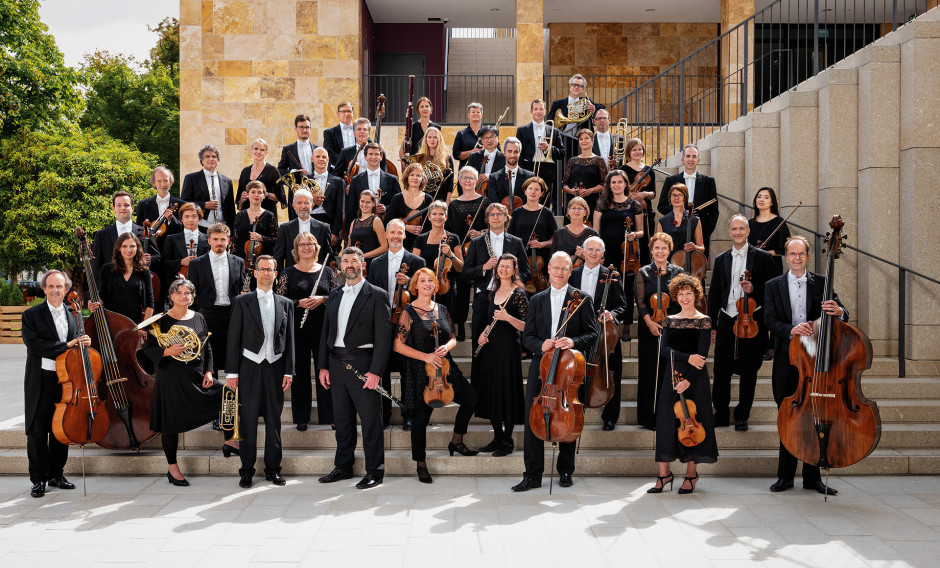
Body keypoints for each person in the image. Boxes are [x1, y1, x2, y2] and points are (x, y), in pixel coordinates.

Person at [764, 236, 847, 496]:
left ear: (808, 257)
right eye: (792, 254)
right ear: (786, 257)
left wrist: (839, 311)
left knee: (815, 417)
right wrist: (791, 330)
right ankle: (785, 477)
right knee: (788, 415)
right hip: (787, 359)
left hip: (815, 361)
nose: (797, 258)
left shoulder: (822, 283)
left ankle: (812, 478)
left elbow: (843, 311)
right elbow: (769, 320)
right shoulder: (773, 285)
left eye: (801, 254)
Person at [512, 251, 597, 491]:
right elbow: (527, 337)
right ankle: (532, 474)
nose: (560, 272)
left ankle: (566, 471)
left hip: (568, 368)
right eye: (556, 268)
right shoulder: (537, 299)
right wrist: (541, 345)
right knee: (532, 419)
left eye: (565, 268)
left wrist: (572, 342)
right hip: (542, 367)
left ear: (571, 271)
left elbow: (592, 334)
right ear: (548, 269)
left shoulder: (582, 299)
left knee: (567, 416)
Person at [141, 278, 238, 486]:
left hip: (196, 376)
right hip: (171, 378)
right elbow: (148, 348)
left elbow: (206, 346)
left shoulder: (199, 317)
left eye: (188, 293)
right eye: (179, 293)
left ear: (193, 297)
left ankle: (230, 440)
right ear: (171, 296)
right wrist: (167, 351)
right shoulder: (161, 321)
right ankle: (172, 468)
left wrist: (210, 372)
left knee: (228, 394)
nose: (184, 296)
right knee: (170, 425)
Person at [393, 268, 480, 483]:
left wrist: (445, 348)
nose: (427, 284)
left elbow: (452, 337)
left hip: (446, 369)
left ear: (435, 284)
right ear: (415, 286)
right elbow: (398, 345)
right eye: (422, 281)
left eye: (430, 280)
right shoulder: (408, 312)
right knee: (420, 419)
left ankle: (457, 440)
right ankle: (421, 464)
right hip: (422, 373)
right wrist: (426, 356)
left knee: (472, 399)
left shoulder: (441, 309)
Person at [318, 247, 393, 489]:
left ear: (363, 264)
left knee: (371, 420)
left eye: (354, 260)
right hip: (335, 363)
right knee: (342, 420)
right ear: (340, 265)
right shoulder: (335, 294)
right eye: (345, 261)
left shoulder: (377, 295)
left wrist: (376, 372)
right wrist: (323, 366)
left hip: (363, 364)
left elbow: (384, 338)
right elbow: (326, 333)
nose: (349, 264)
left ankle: (375, 471)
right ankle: (343, 466)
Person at [226, 255, 295, 489]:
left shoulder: (286, 303)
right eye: (262, 269)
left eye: (270, 270)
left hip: (275, 367)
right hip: (248, 368)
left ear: (276, 274)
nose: (266, 273)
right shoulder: (242, 301)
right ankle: (246, 470)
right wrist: (232, 373)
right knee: (247, 422)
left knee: (274, 421)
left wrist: (289, 371)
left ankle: (273, 469)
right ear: (254, 273)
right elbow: (233, 339)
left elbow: (290, 341)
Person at [648, 273, 716, 495]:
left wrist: (688, 380)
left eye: (689, 293)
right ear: (675, 296)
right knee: (666, 421)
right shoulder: (669, 320)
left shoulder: (704, 320)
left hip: (695, 379)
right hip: (672, 376)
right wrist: (687, 358)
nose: (685, 298)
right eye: (681, 294)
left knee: (695, 423)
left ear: (696, 295)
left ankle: (691, 475)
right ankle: (664, 474)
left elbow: (702, 355)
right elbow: (664, 350)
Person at [707, 215, 775, 430]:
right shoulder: (721, 259)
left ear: (748, 231)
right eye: (734, 229)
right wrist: (713, 325)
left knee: (749, 370)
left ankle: (742, 415)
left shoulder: (763, 258)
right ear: (729, 232)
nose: (737, 232)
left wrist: (755, 289)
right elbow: (716, 293)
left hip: (752, 321)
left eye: (741, 229)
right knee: (721, 369)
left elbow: (773, 291)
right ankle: (721, 413)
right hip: (728, 318)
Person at [21, 270, 85, 498]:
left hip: (66, 381)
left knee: (61, 430)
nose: (55, 290)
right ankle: (38, 480)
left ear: (66, 289)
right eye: (50, 286)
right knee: (37, 431)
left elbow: (78, 344)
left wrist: (83, 343)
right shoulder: (31, 315)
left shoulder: (74, 313)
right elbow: (35, 345)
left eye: (59, 286)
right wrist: (67, 346)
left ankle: (56, 475)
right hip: (41, 380)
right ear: (44, 289)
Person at [367, 219, 426, 429]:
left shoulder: (417, 261)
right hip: (383, 323)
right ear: (385, 236)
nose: (395, 236)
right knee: (381, 369)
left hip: (407, 323)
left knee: (407, 370)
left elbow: (425, 292)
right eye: (391, 233)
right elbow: (371, 295)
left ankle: (408, 414)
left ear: (404, 235)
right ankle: (384, 412)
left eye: (399, 233)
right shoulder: (376, 263)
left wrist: (409, 282)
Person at [276, 233, 338, 430]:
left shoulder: (327, 271)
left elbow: (338, 298)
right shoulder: (287, 273)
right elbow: (279, 302)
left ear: (316, 247)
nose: (306, 248)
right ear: (296, 248)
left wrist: (323, 300)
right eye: (302, 244)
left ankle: (329, 414)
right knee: (300, 371)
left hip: (322, 329)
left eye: (310, 244)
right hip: (298, 329)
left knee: (325, 370)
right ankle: (301, 416)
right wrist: (298, 303)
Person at [472, 254, 528, 456]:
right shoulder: (491, 293)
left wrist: (508, 317)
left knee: (507, 393)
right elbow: (490, 321)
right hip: (491, 349)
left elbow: (528, 326)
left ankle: (507, 440)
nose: (503, 270)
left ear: (514, 270)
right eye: (501, 266)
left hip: (509, 351)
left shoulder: (519, 294)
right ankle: (497, 438)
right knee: (493, 392)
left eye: (508, 267)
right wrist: (482, 335)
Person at [570, 236, 627, 431]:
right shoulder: (573, 274)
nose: (593, 253)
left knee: (612, 371)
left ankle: (610, 417)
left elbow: (622, 306)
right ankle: (577, 410)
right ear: (583, 252)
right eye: (590, 249)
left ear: (603, 254)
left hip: (605, 334)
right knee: (577, 371)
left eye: (598, 250)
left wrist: (611, 314)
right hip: (580, 333)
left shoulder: (613, 275)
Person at [463, 203, 530, 355]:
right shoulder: (477, 242)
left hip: (508, 297)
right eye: (492, 215)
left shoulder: (516, 242)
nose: (495, 217)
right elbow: (466, 273)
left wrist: (513, 282)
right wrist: (483, 267)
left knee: (505, 340)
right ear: (487, 219)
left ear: (506, 218)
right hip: (484, 297)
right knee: (479, 340)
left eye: (499, 214)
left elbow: (526, 271)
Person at [634, 233, 684, 429]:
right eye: (657, 248)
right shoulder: (643, 272)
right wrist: (650, 323)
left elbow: (682, 300)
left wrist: (671, 323)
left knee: (668, 372)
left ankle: (668, 416)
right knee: (649, 371)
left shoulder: (678, 272)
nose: (660, 251)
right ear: (651, 250)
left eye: (664, 248)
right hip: (649, 327)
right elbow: (640, 302)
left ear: (669, 250)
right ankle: (648, 417)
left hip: (671, 328)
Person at [187, 223, 246, 377]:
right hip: (207, 316)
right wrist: (192, 320)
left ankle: (234, 397)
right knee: (208, 362)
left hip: (232, 316)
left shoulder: (238, 262)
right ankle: (210, 398)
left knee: (233, 360)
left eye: (223, 239)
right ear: (209, 241)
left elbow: (242, 291)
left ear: (228, 240)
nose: (219, 242)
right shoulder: (196, 264)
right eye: (216, 239)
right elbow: (191, 295)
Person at [594, 170, 644, 339]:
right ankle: (609, 324)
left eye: (620, 182)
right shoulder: (602, 204)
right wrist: (598, 253)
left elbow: (641, 231)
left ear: (625, 184)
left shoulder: (634, 205)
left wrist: (634, 235)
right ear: (609, 185)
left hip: (627, 255)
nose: (616, 185)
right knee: (607, 289)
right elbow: (596, 233)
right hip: (607, 254)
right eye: (613, 182)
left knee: (627, 291)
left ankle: (627, 328)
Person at [446, 166, 490, 340]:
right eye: (464, 178)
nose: (467, 181)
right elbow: (449, 230)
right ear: (459, 181)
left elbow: (494, 226)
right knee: (461, 292)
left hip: (481, 252)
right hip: (460, 252)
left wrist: (481, 233)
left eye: (471, 178)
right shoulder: (454, 205)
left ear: (476, 181)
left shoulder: (484, 202)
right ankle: (460, 325)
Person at [92, 191, 160, 288]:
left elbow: (158, 257)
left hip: (138, 287)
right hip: (111, 288)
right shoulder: (102, 235)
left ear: (132, 208)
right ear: (113, 209)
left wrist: (151, 259)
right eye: (119, 205)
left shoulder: (145, 232)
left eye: (126, 205)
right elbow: (96, 266)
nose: (123, 208)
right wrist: (100, 291)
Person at [658, 144, 718, 255]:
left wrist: (705, 233)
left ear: (698, 160)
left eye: (694, 156)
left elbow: (714, 211)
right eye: (688, 156)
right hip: (675, 232)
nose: (691, 159)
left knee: (698, 270)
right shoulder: (671, 180)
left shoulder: (708, 181)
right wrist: (680, 213)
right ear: (682, 160)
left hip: (699, 233)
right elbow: (661, 206)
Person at [412, 201, 464, 321]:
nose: (438, 217)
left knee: (445, 325)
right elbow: (415, 265)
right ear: (429, 217)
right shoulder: (421, 239)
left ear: (446, 217)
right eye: (434, 214)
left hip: (446, 288)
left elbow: (461, 268)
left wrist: (451, 255)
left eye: (441, 214)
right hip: (425, 287)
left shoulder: (454, 238)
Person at [92, 233, 155, 325]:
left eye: (132, 246)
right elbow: (102, 297)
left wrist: (143, 327)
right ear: (119, 248)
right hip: (111, 322)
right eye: (124, 246)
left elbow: (150, 303)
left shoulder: (144, 271)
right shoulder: (107, 269)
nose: (128, 250)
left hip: (134, 323)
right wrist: (94, 304)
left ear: (137, 248)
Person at [507, 176, 557, 284]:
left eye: (537, 189)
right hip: (521, 258)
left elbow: (556, 239)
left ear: (542, 193)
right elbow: (509, 237)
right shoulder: (517, 213)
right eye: (530, 188)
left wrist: (542, 244)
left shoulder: (547, 213)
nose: (533, 192)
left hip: (542, 260)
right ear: (525, 191)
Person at [516, 99, 564, 201]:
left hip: (547, 169)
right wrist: (521, 171)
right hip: (528, 167)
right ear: (531, 111)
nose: (538, 111)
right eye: (535, 109)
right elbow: (519, 153)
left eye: (541, 109)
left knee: (544, 198)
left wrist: (548, 148)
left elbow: (562, 153)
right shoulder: (522, 130)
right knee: (527, 197)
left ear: (545, 111)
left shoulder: (554, 131)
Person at [618, 138, 657, 264]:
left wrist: (644, 193)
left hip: (646, 208)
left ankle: (645, 269)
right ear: (629, 152)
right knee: (629, 241)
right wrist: (633, 197)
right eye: (634, 149)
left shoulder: (649, 170)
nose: (637, 152)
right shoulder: (622, 169)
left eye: (640, 149)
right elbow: (620, 189)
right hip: (628, 209)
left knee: (646, 241)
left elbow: (653, 193)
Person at [273, 188, 333, 269]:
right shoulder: (284, 229)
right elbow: (278, 258)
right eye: (299, 203)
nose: (303, 206)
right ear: (293, 206)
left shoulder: (324, 228)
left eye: (306, 203)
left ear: (312, 205)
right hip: (292, 277)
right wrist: (282, 278)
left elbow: (328, 256)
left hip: (317, 276)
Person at [181, 144, 235, 233]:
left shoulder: (227, 181)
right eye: (207, 156)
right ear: (202, 160)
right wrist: (204, 205)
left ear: (218, 160)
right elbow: (184, 202)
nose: (211, 159)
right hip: (201, 226)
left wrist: (232, 230)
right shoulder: (191, 178)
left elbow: (231, 208)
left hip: (223, 228)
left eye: (214, 156)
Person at [231, 181, 279, 280]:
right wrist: (232, 262)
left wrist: (261, 238)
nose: (256, 195)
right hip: (242, 262)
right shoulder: (240, 215)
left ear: (264, 196)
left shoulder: (270, 216)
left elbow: (277, 240)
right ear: (247, 195)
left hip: (263, 264)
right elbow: (235, 242)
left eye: (260, 192)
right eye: (253, 192)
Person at [385, 162, 434, 252]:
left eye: (418, 175)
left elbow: (431, 225)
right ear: (407, 177)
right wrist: (405, 227)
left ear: (422, 179)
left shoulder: (428, 199)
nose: (415, 178)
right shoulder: (398, 198)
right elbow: (388, 221)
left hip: (422, 245)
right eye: (412, 175)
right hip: (400, 243)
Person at [347, 142, 401, 220]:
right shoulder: (356, 180)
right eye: (371, 154)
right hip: (362, 224)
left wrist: (386, 208)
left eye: (376, 154)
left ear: (381, 157)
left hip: (385, 223)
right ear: (365, 157)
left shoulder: (392, 179)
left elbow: (398, 203)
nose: (374, 157)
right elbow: (351, 209)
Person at [161, 202, 210, 285]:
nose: (190, 220)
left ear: (200, 218)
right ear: (181, 219)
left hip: (203, 283)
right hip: (178, 283)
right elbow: (164, 263)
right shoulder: (171, 239)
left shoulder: (208, 239)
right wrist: (181, 262)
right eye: (186, 217)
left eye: (194, 216)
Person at [655, 183, 704, 265]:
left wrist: (695, 247)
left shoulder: (695, 220)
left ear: (685, 198)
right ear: (670, 198)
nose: (676, 198)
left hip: (689, 263)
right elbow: (657, 247)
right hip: (668, 264)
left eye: (680, 195)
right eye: (673, 195)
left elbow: (702, 248)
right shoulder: (662, 221)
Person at [561, 128, 608, 213]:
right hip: (574, 202)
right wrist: (570, 191)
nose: (584, 141)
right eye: (581, 139)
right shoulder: (572, 160)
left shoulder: (599, 160)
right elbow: (564, 184)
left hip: (593, 201)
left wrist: (590, 190)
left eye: (586, 138)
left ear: (592, 140)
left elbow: (605, 183)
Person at [748, 187, 790, 276]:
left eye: (766, 197)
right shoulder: (750, 223)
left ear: (772, 202)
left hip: (772, 267)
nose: (761, 199)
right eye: (759, 197)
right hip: (752, 268)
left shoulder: (779, 222)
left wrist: (764, 253)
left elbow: (785, 248)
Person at [136, 165, 185, 241]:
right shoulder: (144, 204)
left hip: (174, 248)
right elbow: (138, 229)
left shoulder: (182, 204)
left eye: (166, 180)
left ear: (171, 182)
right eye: (159, 181)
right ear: (154, 183)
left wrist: (172, 219)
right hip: (151, 247)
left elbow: (183, 228)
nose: (163, 185)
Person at [308, 147, 345, 247]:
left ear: (328, 160)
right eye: (318, 156)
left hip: (329, 222)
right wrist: (310, 200)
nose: (321, 159)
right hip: (309, 220)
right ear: (312, 159)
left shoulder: (338, 182)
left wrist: (335, 232)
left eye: (324, 157)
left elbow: (340, 210)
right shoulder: (304, 180)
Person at [237, 138, 283, 217]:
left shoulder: (273, 171)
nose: (258, 152)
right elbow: (239, 200)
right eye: (256, 148)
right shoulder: (245, 171)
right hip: (247, 215)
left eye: (262, 150)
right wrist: (242, 198)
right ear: (251, 150)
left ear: (266, 153)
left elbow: (280, 197)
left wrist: (265, 194)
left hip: (267, 215)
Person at [550, 196, 598, 266]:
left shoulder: (592, 233)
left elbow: (601, 261)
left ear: (585, 212)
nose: (576, 211)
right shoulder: (559, 233)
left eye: (580, 208)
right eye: (574, 208)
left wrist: (585, 257)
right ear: (568, 211)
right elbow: (552, 260)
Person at [485, 136, 532, 208]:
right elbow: (494, 203)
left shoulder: (529, 176)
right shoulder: (494, 177)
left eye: (516, 152)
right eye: (509, 151)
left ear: (520, 153)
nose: (512, 155)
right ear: (504, 153)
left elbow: (530, 200)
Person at [348, 189, 388, 267]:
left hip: (372, 264)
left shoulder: (376, 221)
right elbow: (349, 246)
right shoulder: (354, 223)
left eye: (368, 202)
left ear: (373, 204)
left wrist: (363, 256)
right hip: (355, 265)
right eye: (362, 201)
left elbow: (384, 247)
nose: (364, 205)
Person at [415, 127, 455, 203]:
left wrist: (448, 201)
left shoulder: (446, 158)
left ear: (439, 140)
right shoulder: (419, 157)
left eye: (435, 137)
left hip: (441, 197)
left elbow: (450, 183)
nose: (432, 140)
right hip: (423, 197)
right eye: (429, 137)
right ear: (426, 139)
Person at [333, 117, 380, 182]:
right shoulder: (345, 152)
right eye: (359, 129)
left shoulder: (379, 152)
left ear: (369, 134)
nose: (362, 132)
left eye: (365, 129)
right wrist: (345, 185)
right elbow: (336, 174)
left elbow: (384, 173)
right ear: (354, 133)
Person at [452, 102, 485, 171]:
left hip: (485, 172)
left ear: (481, 115)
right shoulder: (461, 134)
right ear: (468, 115)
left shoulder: (488, 133)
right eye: (473, 112)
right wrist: (471, 152)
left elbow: (497, 152)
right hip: (466, 172)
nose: (475, 114)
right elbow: (455, 154)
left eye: (478, 112)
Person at [323, 101, 356, 170]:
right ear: (338, 114)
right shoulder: (329, 132)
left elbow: (369, 146)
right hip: (338, 170)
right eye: (343, 111)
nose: (346, 114)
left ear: (353, 113)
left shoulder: (360, 131)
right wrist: (345, 164)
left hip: (357, 169)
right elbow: (329, 152)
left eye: (349, 111)